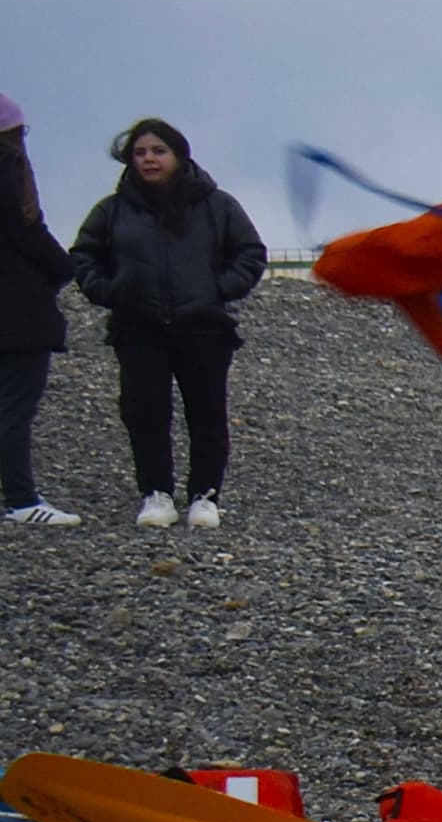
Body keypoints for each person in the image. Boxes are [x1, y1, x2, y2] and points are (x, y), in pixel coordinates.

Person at [67, 118, 266, 530]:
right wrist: (110, 291)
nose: (149, 159)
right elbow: (84, 256)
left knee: (206, 414)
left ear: (179, 155)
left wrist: (218, 289)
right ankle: (156, 493)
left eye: (158, 151)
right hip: (138, 327)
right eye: (140, 153)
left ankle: (205, 496)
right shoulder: (112, 210)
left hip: (203, 327)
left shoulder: (217, 205)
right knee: (144, 412)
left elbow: (250, 252)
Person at [0, 96, 77, 527]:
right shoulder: (8, 170)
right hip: (18, 311)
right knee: (15, 406)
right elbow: (28, 231)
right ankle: (21, 499)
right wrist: (63, 268)